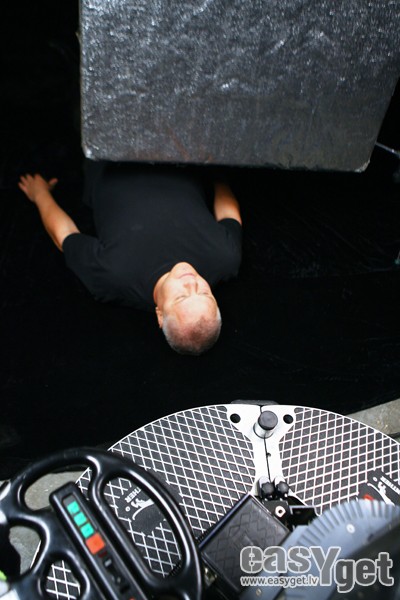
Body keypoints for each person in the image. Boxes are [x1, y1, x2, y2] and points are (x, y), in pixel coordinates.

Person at [18, 163, 242, 355]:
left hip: (110, 161)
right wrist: (218, 174)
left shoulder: (113, 277)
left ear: (160, 314)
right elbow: (228, 215)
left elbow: (65, 236)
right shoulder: (224, 257)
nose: (191, 282)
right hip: (176, 154)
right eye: (204, 293)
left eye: (181, 297)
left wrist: (40, 195)